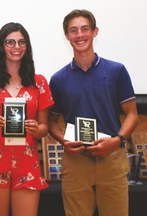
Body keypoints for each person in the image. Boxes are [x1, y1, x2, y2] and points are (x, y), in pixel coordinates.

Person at [48, 9, 139, 216]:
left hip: (112, 157)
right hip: (76, 160)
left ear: (95, 31)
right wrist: (64, 142)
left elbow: (132, 114)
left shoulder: (116, 71)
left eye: (84, 29)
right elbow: (51, 121)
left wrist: (117, 140)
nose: (79, 35)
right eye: (73, 30)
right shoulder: (58, 79)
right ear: (67, 36)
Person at [0, 22, 54, 216]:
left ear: (28, 46)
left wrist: (36, 129)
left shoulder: (39, 83)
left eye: (22, 42)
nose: (16, 47)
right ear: (1, 46)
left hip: (27, 163)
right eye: (10, 42)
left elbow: (44, 128)